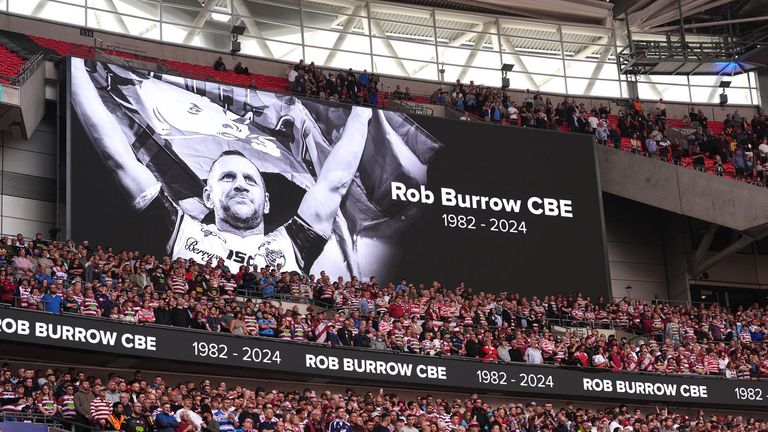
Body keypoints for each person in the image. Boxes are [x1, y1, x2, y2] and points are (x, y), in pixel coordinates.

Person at [70, 59, 373, 275]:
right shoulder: (183, 232)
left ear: (266, 201)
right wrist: (73, 67)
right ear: (208, 196)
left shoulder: (293, 244)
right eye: (227, 178)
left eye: (250, 180)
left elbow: (335, 181)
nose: (240, 183)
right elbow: (118, 158)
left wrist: (363, 115)